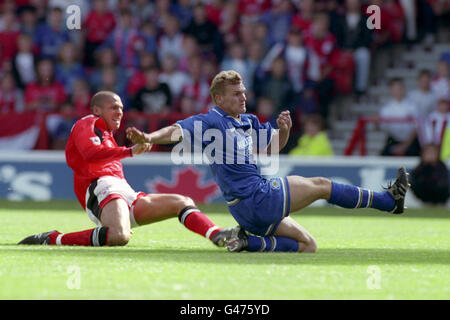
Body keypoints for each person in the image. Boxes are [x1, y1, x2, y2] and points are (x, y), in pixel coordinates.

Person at [127, 70, 411, 253]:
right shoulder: (209, 120)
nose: (243, 97)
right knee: (322, 185)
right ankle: (388, 202)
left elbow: (275, 146)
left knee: (308, 246)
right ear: (218, 98)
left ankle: (250, 242)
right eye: (236, 94)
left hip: (248, 209)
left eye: (244, 92)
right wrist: (149, 138)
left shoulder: (248, 121)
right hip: (256, 198)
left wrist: (284, 130)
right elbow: (176, 130)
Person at [18, 91, 232, 247]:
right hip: (100, 188)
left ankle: (217, 235)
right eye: (113, 107)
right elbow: (90, 154)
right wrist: (130, 152)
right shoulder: (87, 123)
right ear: (96, 110)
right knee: (119, 236)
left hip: (124, 191)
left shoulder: (108, 135)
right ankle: (54, 238)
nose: (119, 112)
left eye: (121, 108)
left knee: (182, 202)